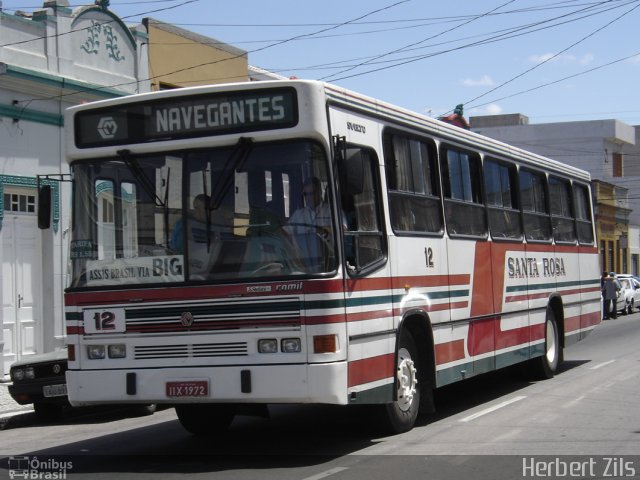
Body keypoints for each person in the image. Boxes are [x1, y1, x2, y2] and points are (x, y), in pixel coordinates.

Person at [285, 177, 333, 271]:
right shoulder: (298, 214)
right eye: (306, 194)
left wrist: (324, 230)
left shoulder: (331, 211)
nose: (309, 197)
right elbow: (284, 231)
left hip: (329, 261)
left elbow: (343, 229)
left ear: (319, 191)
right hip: (302, 263)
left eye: (312, 193)